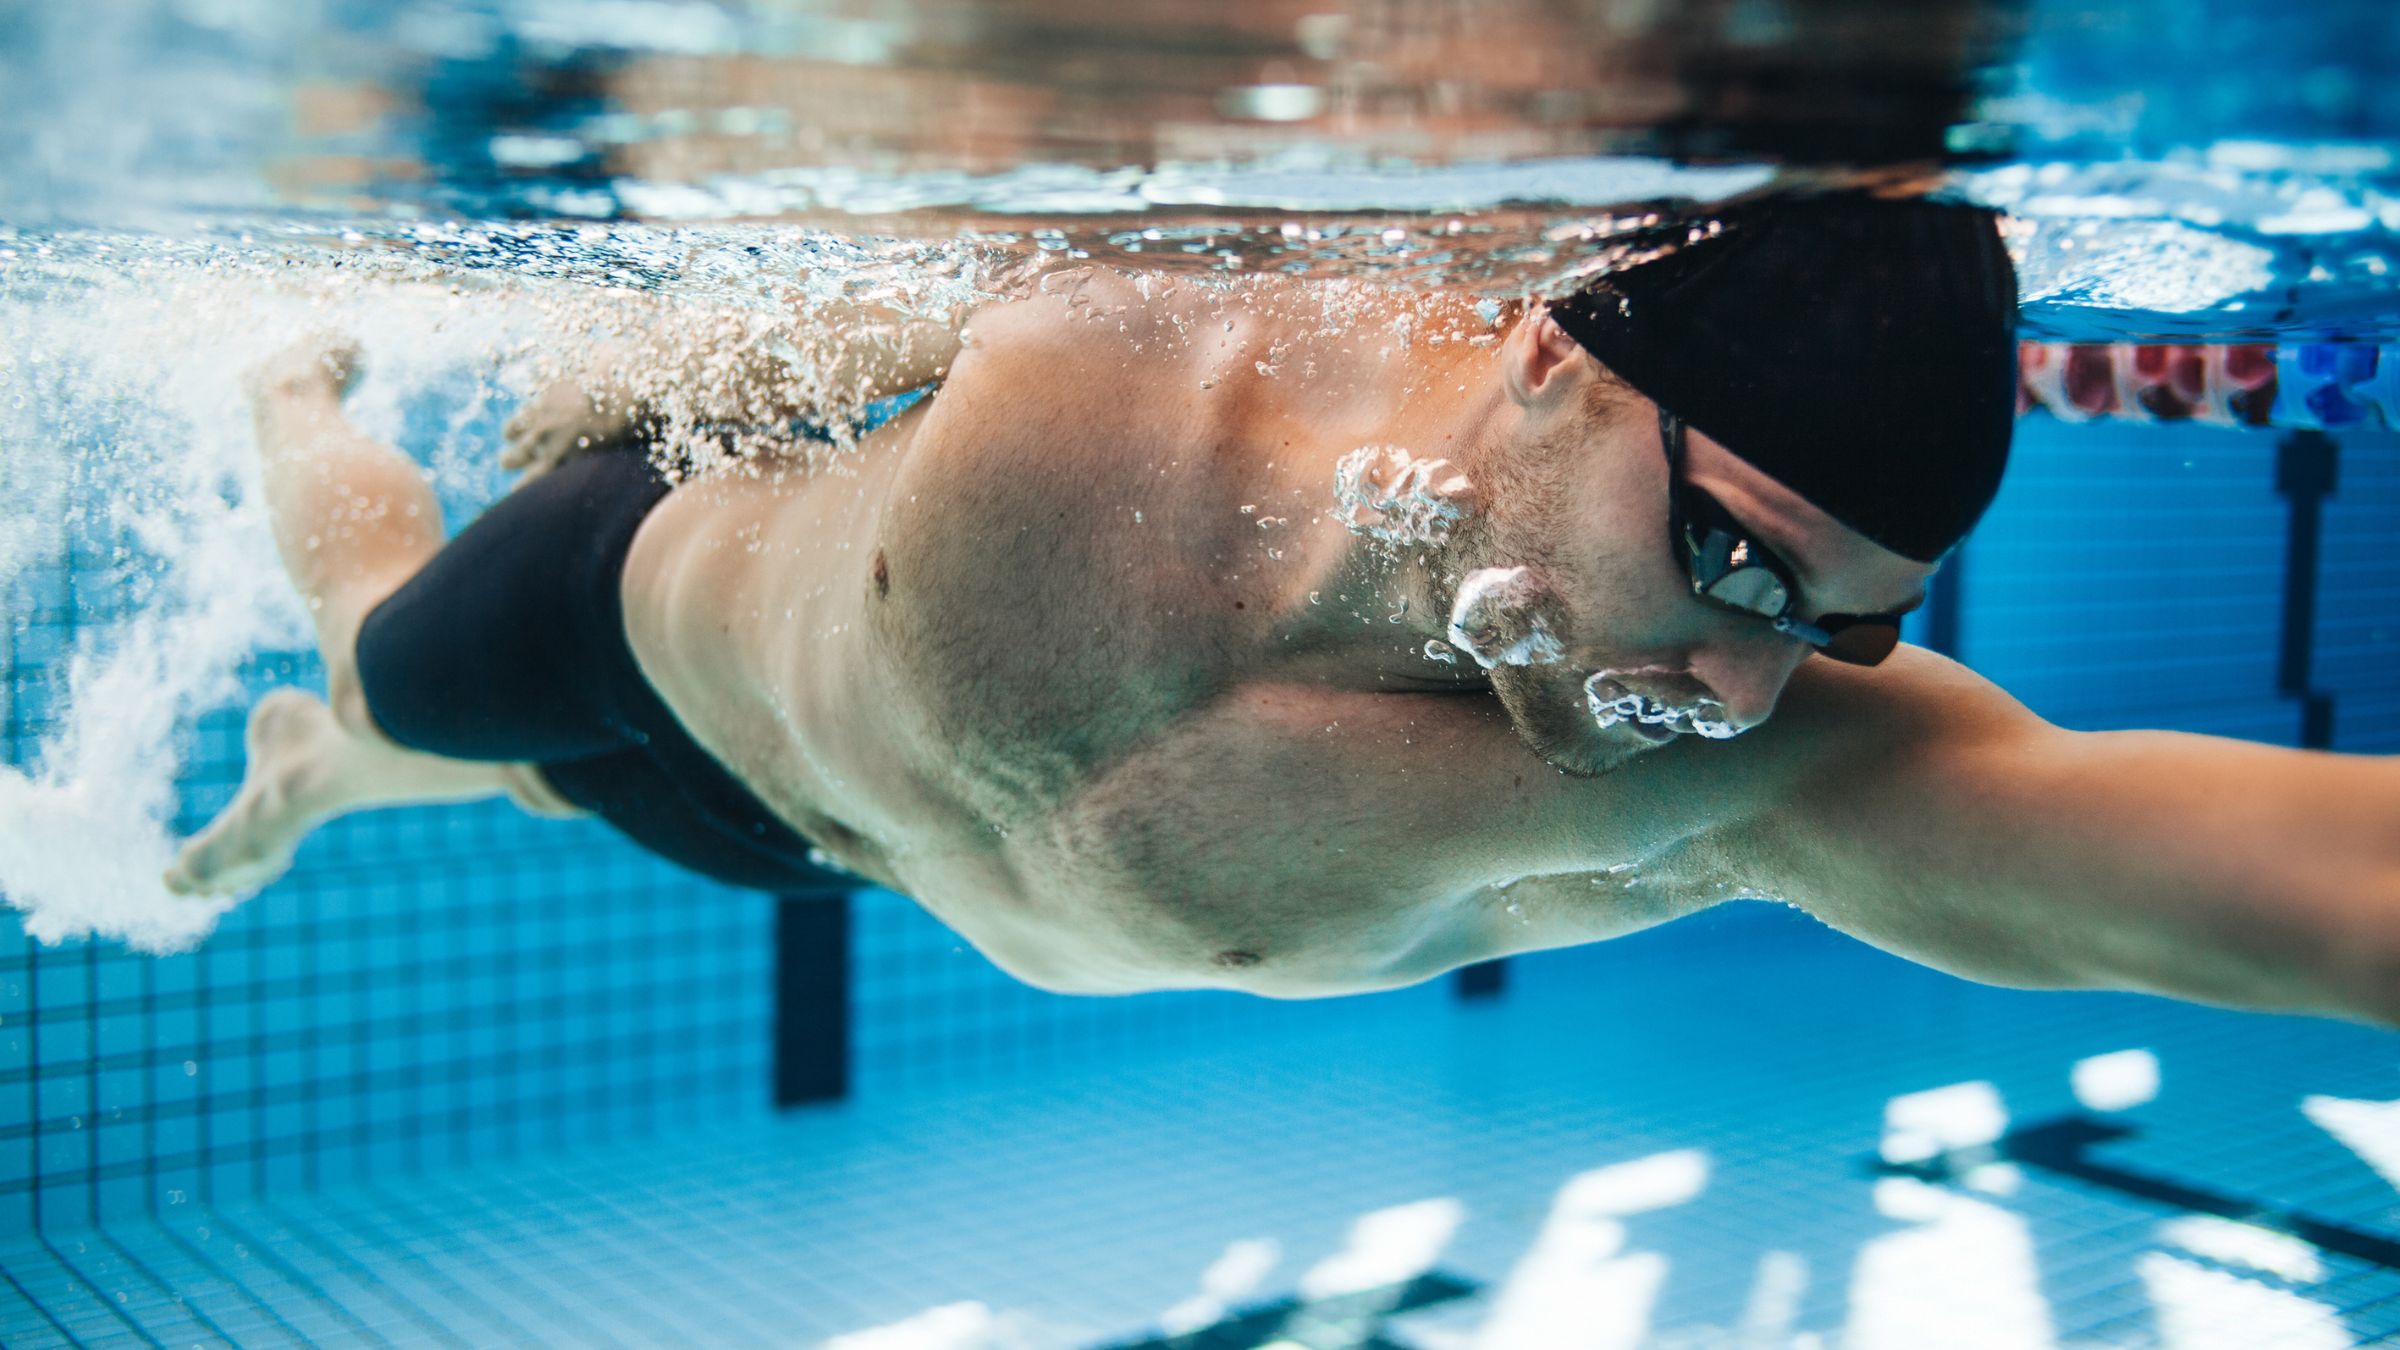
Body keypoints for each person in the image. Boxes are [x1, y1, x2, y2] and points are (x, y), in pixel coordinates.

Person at [166, 194, 2400, 1027]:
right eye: (1726, 554)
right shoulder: (1133, 335)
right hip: (643, 614)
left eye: (1836, 626)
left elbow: (2251, 881)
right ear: (1549, 354)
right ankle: (295, 401)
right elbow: (775, 319)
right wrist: (602, 402)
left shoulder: (1704, 784)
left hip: (802, 837)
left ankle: (346, 774)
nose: (1731, 687)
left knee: (557, 799)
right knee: (386, 649)